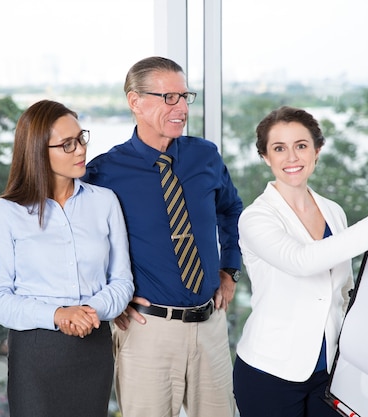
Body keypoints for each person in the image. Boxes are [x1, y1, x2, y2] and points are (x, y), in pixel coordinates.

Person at [233, 106, 368, 417]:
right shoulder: (256, 218)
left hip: (329, 372)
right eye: (279, 148)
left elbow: (343, 290)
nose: (292, 157)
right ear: (266, 157)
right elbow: (301, 261)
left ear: (317, 151)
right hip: (270, 373)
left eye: (301, 146)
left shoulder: (333, 211)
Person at [83, 56, 244, 417]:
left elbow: (231, 210)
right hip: (146, 331)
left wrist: (229, 268)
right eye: (169, 97)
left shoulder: (204, 155)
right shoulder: (103, 173)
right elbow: (80, 243)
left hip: (211, 327)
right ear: (135, 101)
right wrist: (109, 298)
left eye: (186, 96)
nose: (182, 108)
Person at [0, 99, 134, 417]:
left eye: (81, 139)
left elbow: (121, 281)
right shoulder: (7, 213)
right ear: (38, 150)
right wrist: (58, 314)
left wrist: (92, 311)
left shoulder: (105, 202)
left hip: (93, 346)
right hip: (36, 353)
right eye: (67, 144)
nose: (80, 150)